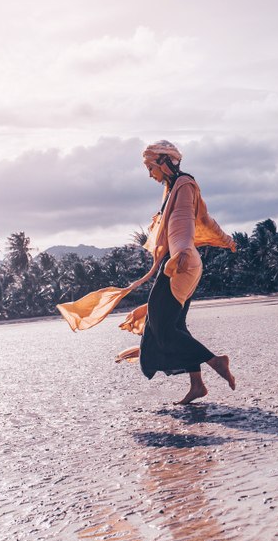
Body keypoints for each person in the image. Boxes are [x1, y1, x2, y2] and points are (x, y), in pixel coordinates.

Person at [57, 140, 237, 404]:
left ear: (164, 162)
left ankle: (215, 361)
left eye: (150, 167)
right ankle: (197, 385)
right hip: (179, 261)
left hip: (180, 263)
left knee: (163, 329)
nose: (149, 174)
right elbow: (205, 220)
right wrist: (226, 240)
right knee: (174, 325)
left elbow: (184, 224)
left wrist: (181, 252)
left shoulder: (183, 185)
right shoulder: (175, 187)